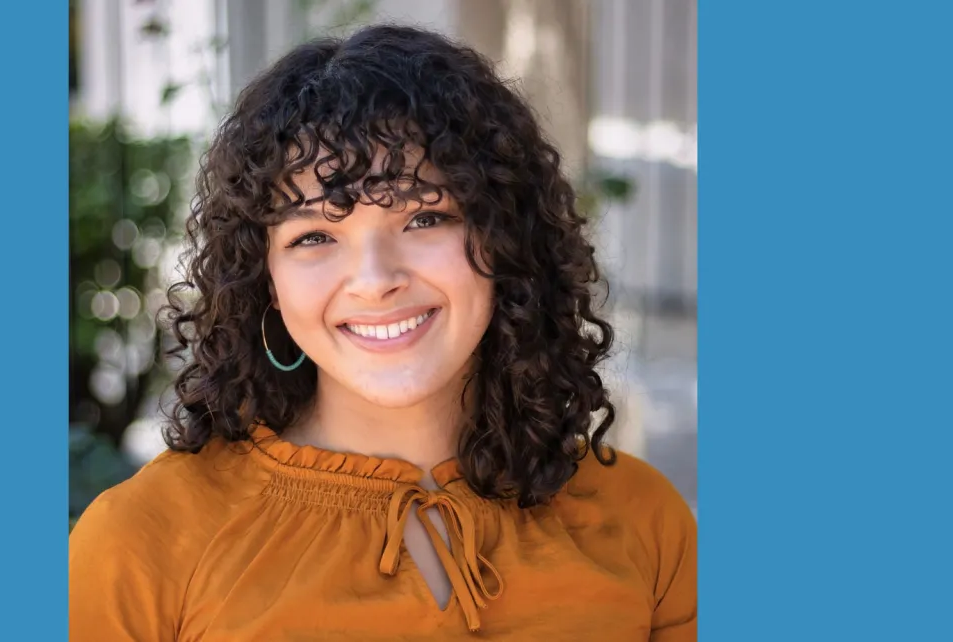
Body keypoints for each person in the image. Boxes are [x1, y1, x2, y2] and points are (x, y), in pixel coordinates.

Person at [69, 24, 696, 641]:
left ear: (507, 241)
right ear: (265, 280)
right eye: (313, 236)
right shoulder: (142, 546)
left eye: (424, 217)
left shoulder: (643, 522)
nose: (374, 280)